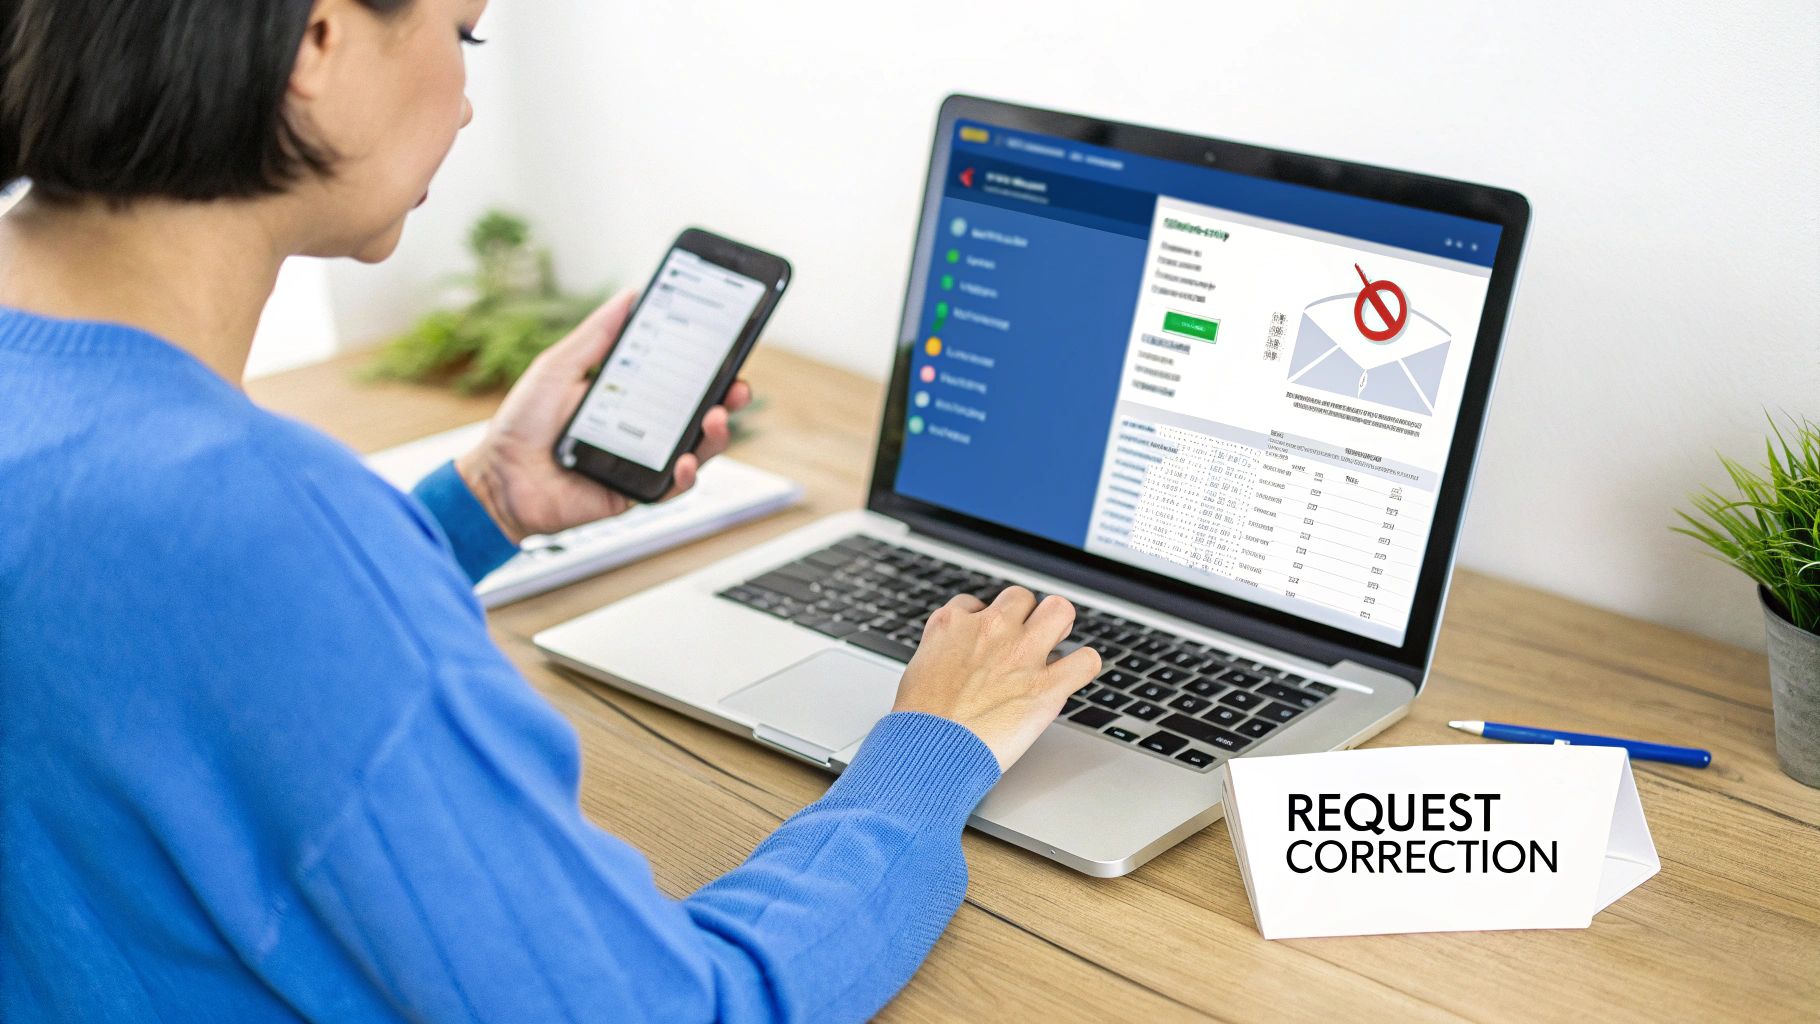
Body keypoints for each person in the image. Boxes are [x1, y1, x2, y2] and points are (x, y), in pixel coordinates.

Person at [0, 1, 1102, 1020]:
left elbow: (140, 622)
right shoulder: (257, 529)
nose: (468, 97)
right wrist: (929, 752)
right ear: (320, 43)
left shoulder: (109, 456)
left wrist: (480, 500)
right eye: (463, 35)